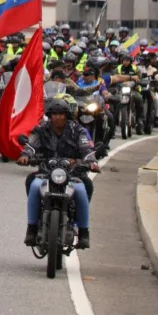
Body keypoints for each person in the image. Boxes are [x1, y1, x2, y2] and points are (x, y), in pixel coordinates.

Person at [18, 98, 98, 249]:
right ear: (50, 115)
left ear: (67, 115)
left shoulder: (77, 130)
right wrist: (25, 155)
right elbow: (31, 145)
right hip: (46, 173)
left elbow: (86, 149)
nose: (58, 117)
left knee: (81, 190)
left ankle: (83, 232)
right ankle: (32, 228)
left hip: (73, 173)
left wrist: (91, 161)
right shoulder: (41, 130)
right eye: (54, 114)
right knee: (34, 185)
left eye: (61, 113)